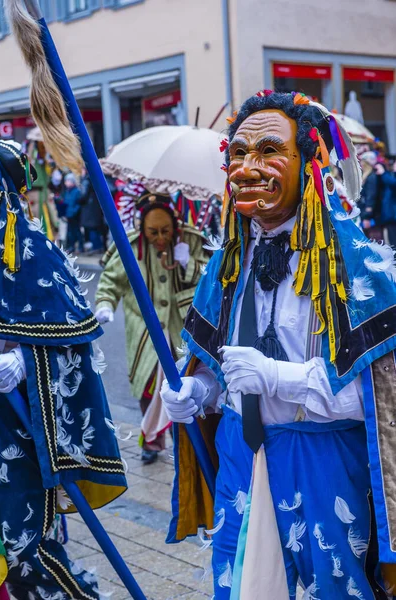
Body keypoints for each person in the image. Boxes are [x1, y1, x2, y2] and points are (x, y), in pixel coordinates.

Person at [161, 91, 396, 599]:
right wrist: (196, 393)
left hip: (326, 464)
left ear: (308, 163)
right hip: (241, 460)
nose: (249, 167)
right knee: (242, 586)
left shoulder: (361, 269)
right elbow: (212, 368)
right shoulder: (225, 262)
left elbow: (383, 404)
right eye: (239, 152)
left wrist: (280, 378)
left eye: (269, 151)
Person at [0, 140, 127, 598]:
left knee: (24, 551)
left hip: (13, 432)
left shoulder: (33, 250)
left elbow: (73, 342)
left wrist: (21, 362)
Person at [95, 193, 211, 464]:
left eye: (165, 231)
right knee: (149, 388)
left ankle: (185, 442)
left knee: (185, 387)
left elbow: (211, 280)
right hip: (144, 330)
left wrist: (189, 263)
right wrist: (104, 303)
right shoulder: (129, 245)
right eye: (153, 232)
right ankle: (151, 441)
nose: (160, 237)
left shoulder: (193, 239)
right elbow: (110, 280)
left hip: (180, 327)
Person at [79, 168, 105, 253]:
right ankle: (99, 246)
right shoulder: (95, 179)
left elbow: (83, 195)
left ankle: (96, 247)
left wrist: (78, 200)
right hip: (95, 207)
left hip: (89, 208)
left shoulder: (86, 180)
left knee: (91, 228)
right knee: (95, 229)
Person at [375, 161, 396, 247]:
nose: (394, 165)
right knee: (392, 241)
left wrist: (383, 173)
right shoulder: (390, 175)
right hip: (390, 215)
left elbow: (394, 183)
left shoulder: (389, 177)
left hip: (392, 214)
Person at [63, 172, 83, 253]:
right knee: (70, 232)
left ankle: (80, 247)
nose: (66, 183)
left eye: (68, 181)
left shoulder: (77, 191)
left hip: (74, 215)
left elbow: (78, 204)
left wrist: (74, 212)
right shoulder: (67, 191)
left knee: (77, 231)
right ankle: (71, 246)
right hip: (68, 215)